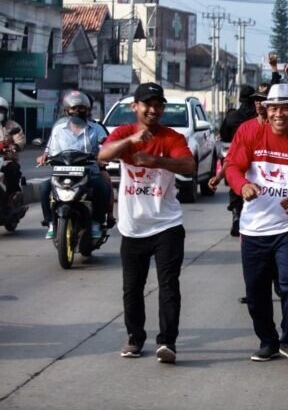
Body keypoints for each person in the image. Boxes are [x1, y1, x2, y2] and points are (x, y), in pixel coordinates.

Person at [225, 83, 288, 365]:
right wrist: (242, 185)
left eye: (286, 108)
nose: (279, 114)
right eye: (274, 108)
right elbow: (232, 167)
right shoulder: (252, 135)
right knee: (255, 291)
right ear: (266, 110)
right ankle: (267, 341)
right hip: (254, 229)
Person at [98, 83, 195, 364]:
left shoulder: (171, 137)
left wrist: (155, 160)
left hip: (167, 225)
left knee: (168, 285)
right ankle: (135, 338)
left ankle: (167, 342)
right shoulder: (123, 133)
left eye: (158, 105)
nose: (153, 110)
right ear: (135, 107)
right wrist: (130, 142)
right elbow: (102, 156)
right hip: (132, 227)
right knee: (132, 288)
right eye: (147, 104)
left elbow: (188, 165)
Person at [37, 91, 112, 240]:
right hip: (62, 171)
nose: (77, 111)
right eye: (74, 108)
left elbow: (108, 145)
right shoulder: (58, 129)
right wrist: (44, 156)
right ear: (67, 110)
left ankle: (96, 222)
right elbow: (49, 148)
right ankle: (51, 222)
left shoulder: (96, 128)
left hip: (89, 172)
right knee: (44, 188)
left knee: (103, 188)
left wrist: (104, 156)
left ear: (88, 110)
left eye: (81, 108)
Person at [217, 85, 267, 237]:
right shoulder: (254, 120)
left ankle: (237, 212)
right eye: (256, 100)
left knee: (236, 185)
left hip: (240, 159)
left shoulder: (232, 117)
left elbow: (223, 135)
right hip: (251, 160)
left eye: (261, 100)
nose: (259, 104)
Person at [0, 96, 26, 195]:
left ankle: (10, 200)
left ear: (6, 112)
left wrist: (15, 146)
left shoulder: (13, 125)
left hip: (7, 159)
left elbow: (20, 140)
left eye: (1, 110)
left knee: (13, 170)